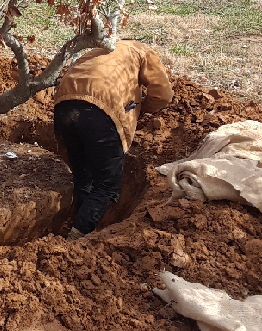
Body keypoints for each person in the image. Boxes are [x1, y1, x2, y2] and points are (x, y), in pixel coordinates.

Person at [53, 40, 173, 237]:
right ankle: (77, 237)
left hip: (64, 107)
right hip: (100, 112)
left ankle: (77, 222)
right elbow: (163, 95)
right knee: (106, 185)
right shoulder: (142, 51)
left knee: (83, 177)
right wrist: (142, 109)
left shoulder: (98, 48)